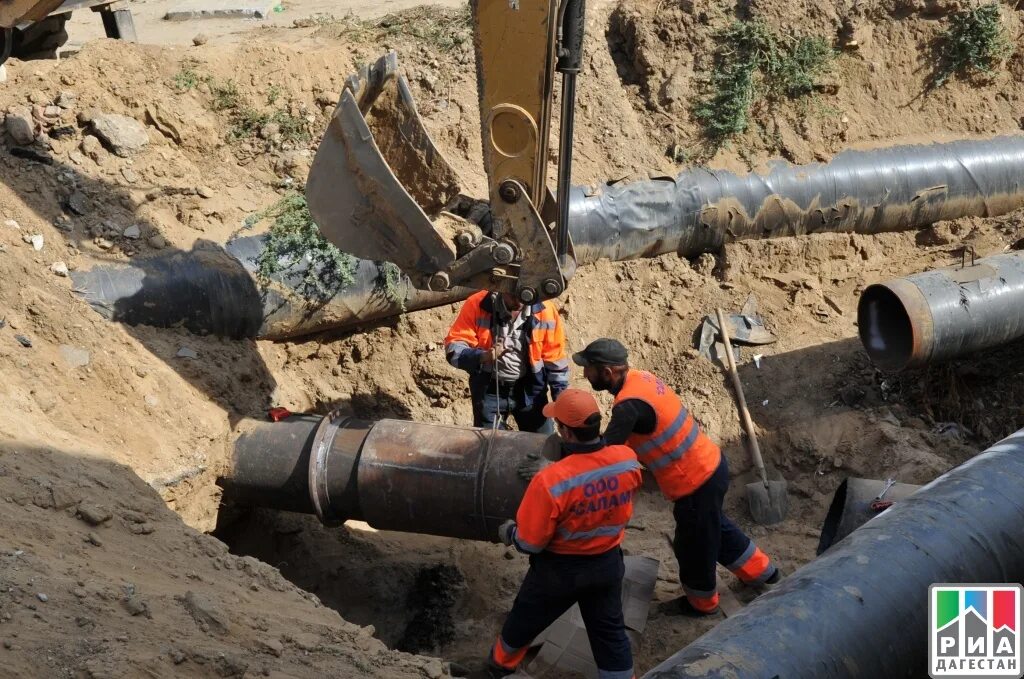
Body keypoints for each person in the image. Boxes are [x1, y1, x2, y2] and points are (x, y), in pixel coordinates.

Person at [572, 338, 780, 616]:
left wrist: (565, 457)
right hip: (710, 465)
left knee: (692, 546)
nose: (585, 374)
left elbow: (605, 455)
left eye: (589, 369)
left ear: (608, 373)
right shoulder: (642, 379)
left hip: (694, 483)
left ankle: (702, 603)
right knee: (714, 527)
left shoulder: (628, 406)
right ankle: (763, 573)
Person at [485, 389, 641, 679]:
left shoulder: (550, 481)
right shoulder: (627, 460)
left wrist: (510, 533)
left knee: (522, 623)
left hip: (559, 573)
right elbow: (596, 474)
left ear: (566, 433)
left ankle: (497, 669)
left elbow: (530, 543)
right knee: (609, 634)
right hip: (607, 565)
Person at [445, 290, 568, 433]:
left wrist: (561, 401)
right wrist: (483, 356)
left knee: (542, 445)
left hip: (530, 390)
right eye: (513, 295)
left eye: (523, 297)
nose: (518, 302)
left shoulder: (546, 310)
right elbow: (453, 350)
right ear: (500, 287)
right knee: (490, 448)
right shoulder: (477, 304)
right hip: (490, 390)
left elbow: (555, 361)